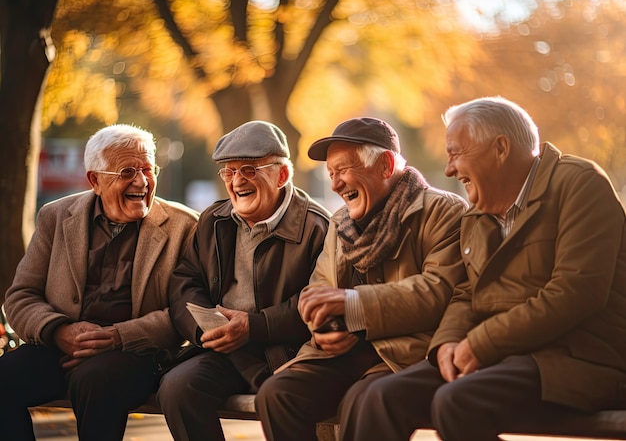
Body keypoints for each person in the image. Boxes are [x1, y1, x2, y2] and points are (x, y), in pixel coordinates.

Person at [340, 96, 626, 441]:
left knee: (457, 401)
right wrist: (446, 344)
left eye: (455, 153)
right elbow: (467, 293)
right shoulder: (477, 215)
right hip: (502, 358)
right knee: (381, 396)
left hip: (577, 360)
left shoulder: (579, 184)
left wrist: (479, 345)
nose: (448, 169)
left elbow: (575, 293)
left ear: (501, 149)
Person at [255, 117, 469, 441]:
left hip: (404, 355)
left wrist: (352, 304)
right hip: (339, 354)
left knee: (363, 401)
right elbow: (319, 286)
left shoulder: (444, 211)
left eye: (342, 170)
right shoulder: (339, 222)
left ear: (385, 165)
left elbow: (438, 291)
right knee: (275, 395)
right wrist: (322, 325)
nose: (335, 185)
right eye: (331, 174)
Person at [0, 124, 199, 441]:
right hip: (59, 347)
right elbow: (20, 297)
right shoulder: (55, 216)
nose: (142, 181)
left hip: (136, 355)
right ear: (95, 180)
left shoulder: (184, 227)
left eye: (148, 169)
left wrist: (116, 336)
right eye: (127, 172)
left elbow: (185, 311)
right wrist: (60, 331)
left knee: (94, 380)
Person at [156, 120, 330, 441]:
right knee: (177, 388)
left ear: (282, 175)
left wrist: (254, 326)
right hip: (227, 352)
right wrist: (205, 329)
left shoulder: (317, 227)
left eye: (249, 170)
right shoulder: (214, 219)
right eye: (229, 172)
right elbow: (184, 281)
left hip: (288, 352)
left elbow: (320, 300)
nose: (237, 182)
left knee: (280, 398)